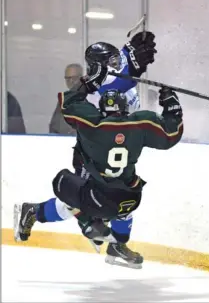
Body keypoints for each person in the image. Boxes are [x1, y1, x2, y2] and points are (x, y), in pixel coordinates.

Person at [14, 61, 184, 269]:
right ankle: (114, 242)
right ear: (125, 108)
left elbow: (69, 103)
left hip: (97, 193)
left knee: (65, 185)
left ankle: (39, 212)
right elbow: (171, 134)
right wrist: (171, 105)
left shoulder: (91, 123)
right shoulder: (140, 125)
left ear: (102, 109)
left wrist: (89, 83)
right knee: (121, 203)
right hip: (128, 196)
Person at [49, 63, 83, 135]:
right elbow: (54, 126)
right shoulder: (63, 100)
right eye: (68, 78)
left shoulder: (91, 98)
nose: (71, 81)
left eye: (74, 78)